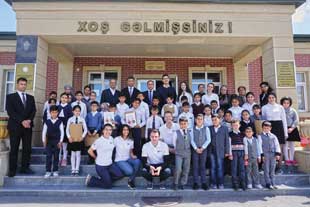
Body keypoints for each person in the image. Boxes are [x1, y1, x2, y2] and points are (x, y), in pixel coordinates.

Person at [6, 77, 37, 177]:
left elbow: (33, 110)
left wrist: (29, 120)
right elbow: (10, 111)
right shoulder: (10, 97)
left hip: (27, 127)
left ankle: (25, 168)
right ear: (17, 85)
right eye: (21, 84)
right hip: (15, 127)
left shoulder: (30, 97)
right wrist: (22, 121)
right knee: (14, 148)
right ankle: (12, 170)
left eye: (24, 84)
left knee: (27, 148)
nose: (23, 86)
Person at [85, 124, 123, 189]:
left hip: (110, 165)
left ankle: (106, 179)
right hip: (101, 166)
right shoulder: (99, 141)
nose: (108, 132)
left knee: (120, 175)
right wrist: (95, 157)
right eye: (106, 129)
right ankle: (91, 180)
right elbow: (89, 151)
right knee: (108, 186)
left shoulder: (111, 139)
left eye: (110, 130)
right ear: (103, 130)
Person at [262, 93, 288, 173]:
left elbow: (284, 120)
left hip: (279, 127)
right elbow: (263, 120)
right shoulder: (264, 107)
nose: (271, 99)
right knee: (268, 148)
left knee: (279, 148)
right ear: (267, 99)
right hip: (268, 127)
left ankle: (279, 168)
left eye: (273, 97)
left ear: (275, 98)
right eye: (269, 97)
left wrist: (285, 132)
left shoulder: (280, 107)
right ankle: (269, 168)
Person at [114, 125, 141, 189]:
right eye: (124, 130)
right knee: (130, 171)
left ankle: (131, 180)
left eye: (127, 130)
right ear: (121, 131)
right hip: (119, 160)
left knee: (137, 161)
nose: (126, 131)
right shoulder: (116, 139)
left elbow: (130, 151)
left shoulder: (131, 140)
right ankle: (123, 169)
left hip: (128, 159)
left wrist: (133, 156)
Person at [42, 105, 64, 178]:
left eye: (55, 112)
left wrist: (60, 141)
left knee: (56, 156)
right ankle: (48, 171)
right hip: (49, 141)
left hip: (57, 141)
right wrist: (43, 140)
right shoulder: (47, 122)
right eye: (52, 112)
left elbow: (62, 132)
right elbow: (44, 132)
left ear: (57, 113)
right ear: (50, 113)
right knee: (48, 156)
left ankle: (55, 171)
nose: (54, 114)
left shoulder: (60, 122)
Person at [257, 121, 281, 189]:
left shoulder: (273, 136)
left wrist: (278, 153)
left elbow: (277, 145)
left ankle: (273, 183)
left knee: (272, 169)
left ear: (270, 128)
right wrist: (262, 155)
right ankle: (268, 183)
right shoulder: (260, 136)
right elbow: (259, 146)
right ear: (262, 128)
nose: (266, 129)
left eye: (268, 128)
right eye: (264, 128)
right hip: (265, 154)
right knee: (266, 169)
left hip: (273, 154)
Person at [209, 114, 230, 189]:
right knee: (213, 167)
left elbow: (227, 140)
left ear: (220, 120)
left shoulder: (224, 128)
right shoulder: (209, 128)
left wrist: (227, 151)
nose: (214, 121)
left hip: (221, 151)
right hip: (212, 151)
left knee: (220, 167)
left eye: (216, 119)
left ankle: (221, 183)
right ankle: (213, 183)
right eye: (213, 120)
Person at [66, 105, 88, 176]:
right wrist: (69, 137)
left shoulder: (82, 119)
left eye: (78, 111)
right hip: (72, 139)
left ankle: (77, 169)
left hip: (79, 139)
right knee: (73, 154)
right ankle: (73, 169)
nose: (77, 112)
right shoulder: (70, 119)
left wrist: (82, 136)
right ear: (73, 111)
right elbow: (67, 129)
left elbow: (85, 129)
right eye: (76, 111)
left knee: (78, 154)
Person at [191, 114, 211, 190]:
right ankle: (196, 182)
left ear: (203, 120)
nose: (199, 120)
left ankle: (204, 182)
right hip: (195, 149)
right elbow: (192, 140)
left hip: (203, 149)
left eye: (201, 119)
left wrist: (202, 148)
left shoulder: (206, 129)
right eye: (198, 119)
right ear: (195, 120)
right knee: (195, 166)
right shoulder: (192, 129)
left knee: (203, 166)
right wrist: (196, 148)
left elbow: (208, 139)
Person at [173, 117, 192, 190]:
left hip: (187, 152)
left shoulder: (189, 132)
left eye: (185, 124)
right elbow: (174, 143)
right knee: (178, 169)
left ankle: (183, 183)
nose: (183, 125)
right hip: (179, 153)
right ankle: (176, 183)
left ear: (187, 124)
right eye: (181, 124)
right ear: (179, 124)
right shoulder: (176, 132)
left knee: (186, 169)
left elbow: (191, 141)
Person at [281, 96, 300, 166]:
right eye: (284, 103)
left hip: (292, 129)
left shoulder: (293, 110)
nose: (286, 104)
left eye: (287, 103)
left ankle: (291, 159)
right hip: (284, 128)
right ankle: (287, 159)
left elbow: (296, 120)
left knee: (292, 145)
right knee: (285, 144)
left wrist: (292, 128)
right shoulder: (280, 110)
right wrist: (284, 128)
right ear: (282, 103)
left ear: (290, 103)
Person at [229, 120, 246, 191]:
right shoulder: (230, 134)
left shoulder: (242, 134)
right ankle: (235, 183)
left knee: (241, 168)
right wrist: (230, 153)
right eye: (233, 125)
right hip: (234, 152)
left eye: (236, 125)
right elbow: (229, 144)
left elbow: (245, 144)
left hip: (241, 152)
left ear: (239, 125)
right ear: (231, 126)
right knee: (234, 168)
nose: (235, 126)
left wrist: (246, 153)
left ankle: (242, 183)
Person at [58, 93, 73, 167]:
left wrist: (66, 125)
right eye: (62, 97)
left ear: (68, 99)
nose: (64, 99)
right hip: (58, 127)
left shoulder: (69, 107)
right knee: (59, 142)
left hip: (66, 127)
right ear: (60, 98)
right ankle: (58, 158)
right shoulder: (58, 107)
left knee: (65, 143)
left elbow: (70, 118)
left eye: (65, 98)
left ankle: (64, 158)